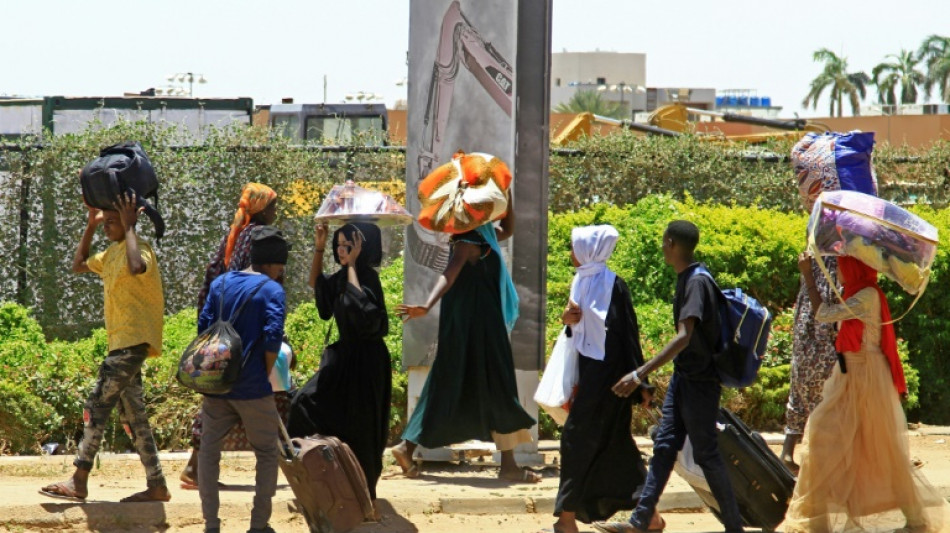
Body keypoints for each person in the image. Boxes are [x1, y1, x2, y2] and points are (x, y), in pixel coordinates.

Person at [594, 220, 743, 533]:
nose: (662, 247)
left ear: (672, 243)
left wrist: (639, 373)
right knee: (664, 446)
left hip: (701, 383)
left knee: (706, 454)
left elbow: (684, 336)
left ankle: (734, 527)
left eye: (664, 242)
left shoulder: (697, 282)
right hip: (684, 379)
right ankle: (640, 521)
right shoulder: (687, 278)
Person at [784, 254, 949, 532]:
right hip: (849, 375)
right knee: (824, 438)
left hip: (867, 378)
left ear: (855, 268)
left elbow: (823, 313)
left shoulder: (867, 295)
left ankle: (917, 520)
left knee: (884, 450)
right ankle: (816, 522)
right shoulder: (855, 292)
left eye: (844, 267)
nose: (840, 273)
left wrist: (809, 276)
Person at [393, 206, 540, 483]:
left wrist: (506, 199)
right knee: (498, 385)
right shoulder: (467, 240)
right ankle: (508, 466)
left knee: (451, 383)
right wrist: (426, 304)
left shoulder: (485, 236)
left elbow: (508, 228)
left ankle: (407, 447)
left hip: (474, 327)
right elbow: (449, 273)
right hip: (477, 329)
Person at [39, 193, 170, 503]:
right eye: (106, 223)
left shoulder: (140, 249)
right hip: (120, 344)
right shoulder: (110, 254)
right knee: (134, 417)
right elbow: (79, 264)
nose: (108, 228)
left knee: (96, 406)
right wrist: (90, 224)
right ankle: (157, 484)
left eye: (113, 222)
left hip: (133, 342)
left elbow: (136, 266)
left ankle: (79, 479)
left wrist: (129, 228)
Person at [550, 225, 661, 533]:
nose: (571, 255)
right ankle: (650, 517)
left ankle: (566, 520)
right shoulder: (581, 281)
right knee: (616, 447)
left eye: (574, 248)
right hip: (590, 378)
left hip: (612, 383)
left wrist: (642, 383)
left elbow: (628, 336)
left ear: (589, 251)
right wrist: (568, 321)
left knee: (575, 441)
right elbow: (580, 332)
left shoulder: (614, 286)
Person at [287, 222, 392, 504]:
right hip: (343, 359)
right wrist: (320, 246)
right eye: (340, 245)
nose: (341, 250)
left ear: (362, 247)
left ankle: (364, 493)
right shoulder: (340, 277)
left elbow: (367, 315)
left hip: (368, 363)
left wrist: (354, 267)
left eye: (349, 245)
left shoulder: (368, 278)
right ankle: (323, 476)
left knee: (362, 427)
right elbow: (317, 287)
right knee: (303, 404)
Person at [182, 182, 278, 486]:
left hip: (222, 328)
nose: (277, 211)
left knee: (221, 394)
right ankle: (197, 469)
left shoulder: (235, 235)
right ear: (262, 208)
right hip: (244, 330)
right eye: (273, 205)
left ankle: (196, 468)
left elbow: (215, 278)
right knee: (239, 395)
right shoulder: (256, 237)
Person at [196, 226, 288, 533]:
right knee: (266, 452)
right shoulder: (273, 290)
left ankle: (211, 525)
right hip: (253, 389)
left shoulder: (221, 283)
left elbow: (203, 329)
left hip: (217, 385)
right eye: (280, 266)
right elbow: (272, 336)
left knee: (209, 452)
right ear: (271, 264)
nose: (280, 272)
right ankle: (258, 526)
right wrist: (265, 373)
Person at [782, 255, 839, 473]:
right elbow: (822, 314)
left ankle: (788, 452)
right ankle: (817, 465)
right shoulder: (827, 267)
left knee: (798, 393)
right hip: (818, 342)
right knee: (821, 401)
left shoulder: (813, 262)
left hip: (804, 341)